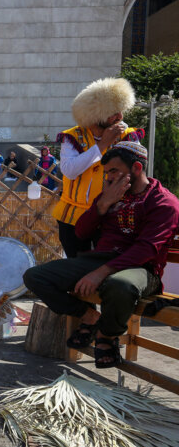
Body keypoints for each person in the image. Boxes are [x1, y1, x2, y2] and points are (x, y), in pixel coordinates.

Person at [23, 142, 179, 368]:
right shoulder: (110, 193)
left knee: (120, 286)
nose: (109, 177)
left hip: (141, 268)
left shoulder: (164, 202)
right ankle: (89, 316)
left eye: (114, 171)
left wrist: (100, 273)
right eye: (107, 173)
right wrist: (104, 203)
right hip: (98, 260)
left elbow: (146, 249)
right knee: (34, 276)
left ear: (136, 168)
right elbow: (81, 232)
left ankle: (107, 335)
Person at [52, 77, 144, 257]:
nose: (120, 117)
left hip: (114, 217)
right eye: (113, 113)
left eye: (120, 111)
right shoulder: (72, 137)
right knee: (76, 269)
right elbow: (69, 171)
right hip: (73, 217)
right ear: (96, 116)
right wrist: (101, 147)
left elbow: (138, 170)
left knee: (106, 268)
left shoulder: (128, 136)